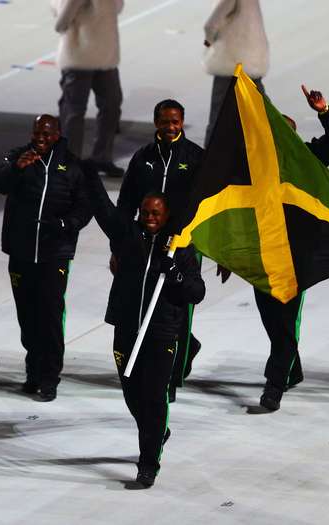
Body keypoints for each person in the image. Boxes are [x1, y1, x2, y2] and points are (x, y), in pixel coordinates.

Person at [218, 85, 329, 411]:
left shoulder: (308, 161)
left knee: (284, 325)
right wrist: (228, 254)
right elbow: (239, 211)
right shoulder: (256, 168)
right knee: (272, 322)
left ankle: (273, 387)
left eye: (286, 135)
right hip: (261, 256)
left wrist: (324, 109)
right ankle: (293, 370)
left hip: (294, 259)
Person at [83, 164, 205, 488]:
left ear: (166, 216)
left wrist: (175, 271)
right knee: (132, 395)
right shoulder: (127, 236)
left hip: (161, 334)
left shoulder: (180, 248)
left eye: (156, 213)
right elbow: (104, 211)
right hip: (125, 329)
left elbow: (197, 292)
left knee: (153, 398)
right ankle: (157, 430)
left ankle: (148, 463)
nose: (150, 217)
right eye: (146, 212)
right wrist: (90, 175)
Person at [0, 114, 92, 401]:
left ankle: (49, 378)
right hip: (22, 252)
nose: (41, 137)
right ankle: (33, 369)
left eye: (47, 133)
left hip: (54, 255)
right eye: (38, 132)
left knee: (49, 316)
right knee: (27, 317)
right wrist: (16, 169)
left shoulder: (72, 166)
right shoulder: (17, 156)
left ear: (57, 133)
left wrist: (64, 225)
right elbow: (0, 183)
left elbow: (83, 207)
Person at [115, 99, 205, 401]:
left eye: (175, 121)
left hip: (181, 245)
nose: (170, 127)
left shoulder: (194, 157)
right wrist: (118, 247)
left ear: (182, 122)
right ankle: (177, 355)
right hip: (145, 242)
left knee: (179, 312)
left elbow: (210, 206)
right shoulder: (142, 158)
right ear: (156, 122)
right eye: (165, 122)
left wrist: (218, 251)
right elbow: (125, 203)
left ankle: (171, 378)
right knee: (147, 304)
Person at [52, 0, 124, 177]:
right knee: (74, 113)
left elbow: (118, 8)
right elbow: (61, 23)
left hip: (106, 57)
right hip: (79, 59)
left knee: (111, 107)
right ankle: (70, 162)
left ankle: (102, 158)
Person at [203, 0, 268, 145]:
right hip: (254, 62)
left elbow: (211, 24)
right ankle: (270, 151)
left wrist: (208, 41)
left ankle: (209, 161)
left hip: (231, 62)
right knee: (262, 112)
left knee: (218, 117)